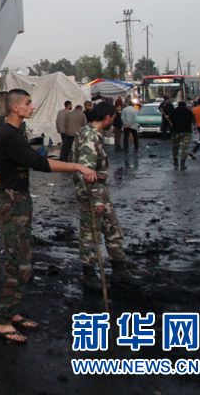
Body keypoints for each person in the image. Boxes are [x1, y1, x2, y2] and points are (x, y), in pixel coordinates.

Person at [0, 89, 96, 344]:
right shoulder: (8, 135)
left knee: (20, 260)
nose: (32, 106)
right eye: (27, 103)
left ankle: (11, 312)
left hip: (14, 199)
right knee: (20, 264)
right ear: (15, 107)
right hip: (14, 203)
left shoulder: (12, 132)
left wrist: (5, 189)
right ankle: (2, 322)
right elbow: (39, 163)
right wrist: (77, 166)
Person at [72, 103, 137, 291]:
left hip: (99, 191)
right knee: (90, 233)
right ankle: (89, 274)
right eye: (113, 118)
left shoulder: (90, 134)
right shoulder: (90, 138)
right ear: (107, 117)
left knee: (112, 227)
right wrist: (97, 200)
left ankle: (119, 269)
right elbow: (87, 172)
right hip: (92, 194)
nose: (114, 122)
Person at [170, 101, 194, 170]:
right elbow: (192, 121)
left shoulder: (174, 111)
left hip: (176, 131)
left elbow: (171, 121)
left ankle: (175, 162)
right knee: (185, 149)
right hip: (187, 132)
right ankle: (182, 164)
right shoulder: (189, 112)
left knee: (175, 147)